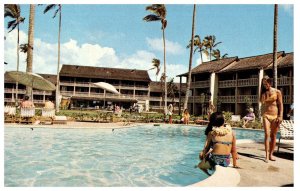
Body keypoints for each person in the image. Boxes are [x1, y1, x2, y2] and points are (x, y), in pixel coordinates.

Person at [260, 75, 283, 163]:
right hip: (266, 115)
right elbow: (263, 102)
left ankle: (271, 154)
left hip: (275, 115)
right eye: (264, 84)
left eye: (266, 83)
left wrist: (280, 116)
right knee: (267, 134)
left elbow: (280, 105)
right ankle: (266, 155)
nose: (265, 86)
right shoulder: (263, 93)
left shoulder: (277, 92)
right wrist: (266, 95)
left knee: (273, 136)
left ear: (270, 82)